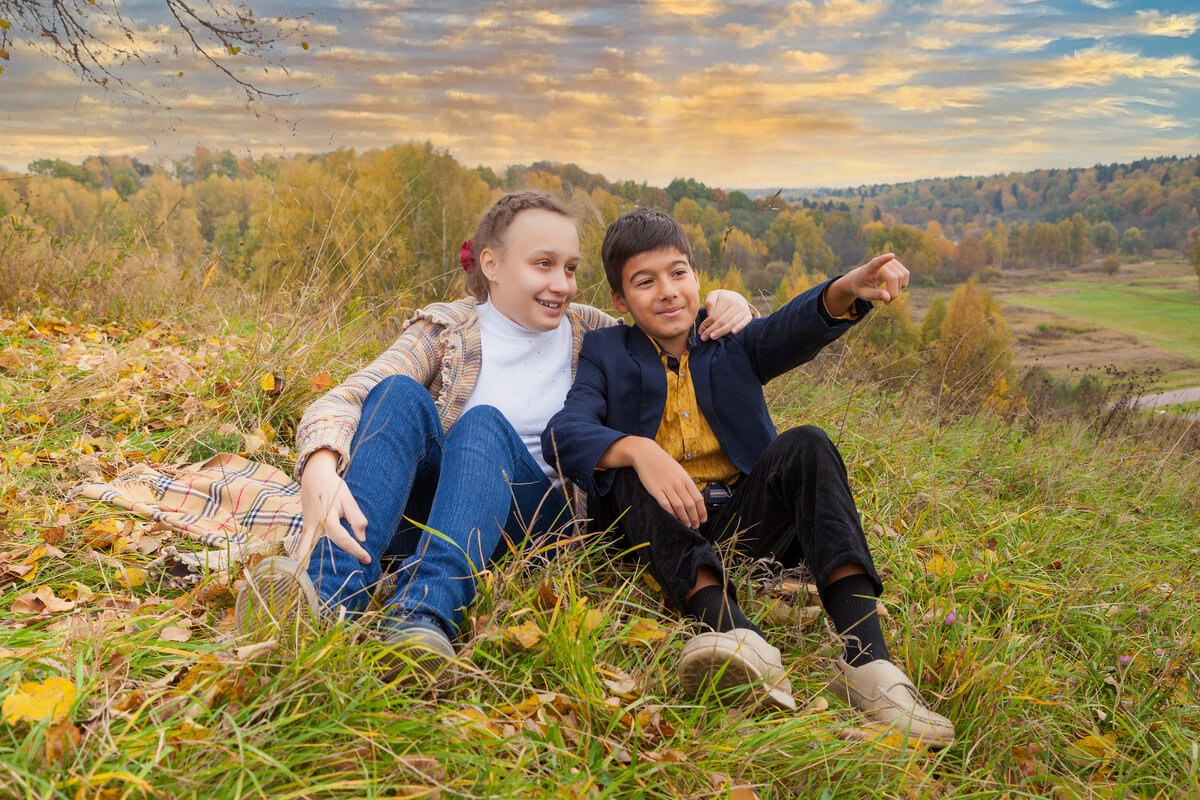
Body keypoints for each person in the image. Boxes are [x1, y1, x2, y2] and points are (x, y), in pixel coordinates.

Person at [233, 191, 755, 670]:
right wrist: (320, 464)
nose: (562, 284)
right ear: (492, 264)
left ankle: (423, 616)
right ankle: (325, 598)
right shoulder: (446, 329)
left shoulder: (594, 333)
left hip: (535, 524)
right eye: (543, 264)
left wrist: (731, 304)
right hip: (434, 511)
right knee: (395, 394)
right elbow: (350, 394)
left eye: (570, 268)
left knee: (483, 424)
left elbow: (670, 312)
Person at [541, 208, 955, 747]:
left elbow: (791, 329)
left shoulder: (729, 340)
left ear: (696, 277)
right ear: (621, 301)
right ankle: (736, 635)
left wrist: (845, 289)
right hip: (661, 531)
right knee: (621, 474)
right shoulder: (605, 353)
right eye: (645, 282)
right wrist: (639, 449)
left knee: (808, 442)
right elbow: (564, 431)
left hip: (746, 523)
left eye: (679, 273)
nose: (668, 292)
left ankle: (868, 663)